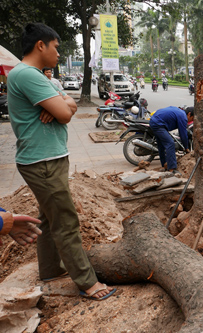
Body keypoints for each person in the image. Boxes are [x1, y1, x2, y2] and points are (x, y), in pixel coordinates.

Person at [7, 23, 116, 301]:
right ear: (40, 45)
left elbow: (69, 105)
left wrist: (60, 103)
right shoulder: (29, 75)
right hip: (43, 161)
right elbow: (66, 114)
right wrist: (59, 107)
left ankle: (50, 270)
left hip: (45, 158)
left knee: (48, 216)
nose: (58, 53)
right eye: (56, 47)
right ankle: (87, 282)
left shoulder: (33, 76)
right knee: (65, 220)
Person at [149, 106, 193, 174]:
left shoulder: (179, 111)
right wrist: (186, 148)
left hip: (154, 121)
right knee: (170, 143)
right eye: (192, 118)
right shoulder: (183, 117)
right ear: (189, 114)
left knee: (161, 145)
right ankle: (172, 169)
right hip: (158, 124)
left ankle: (164, 165)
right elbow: (183, 134)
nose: (190, 121)